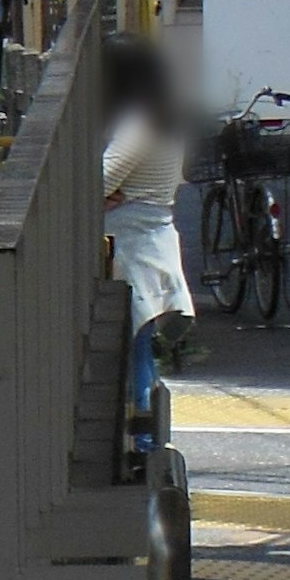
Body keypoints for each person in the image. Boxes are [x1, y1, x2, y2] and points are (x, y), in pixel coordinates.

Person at [105, 37, 194, 411]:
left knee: (132, 354)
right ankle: (147, 442)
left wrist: (101, 194)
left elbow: (101, 178)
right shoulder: (163, 117)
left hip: (132, 247)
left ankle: (143, 443)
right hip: (151, 240)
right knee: (139, 351)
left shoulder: (138, 123)